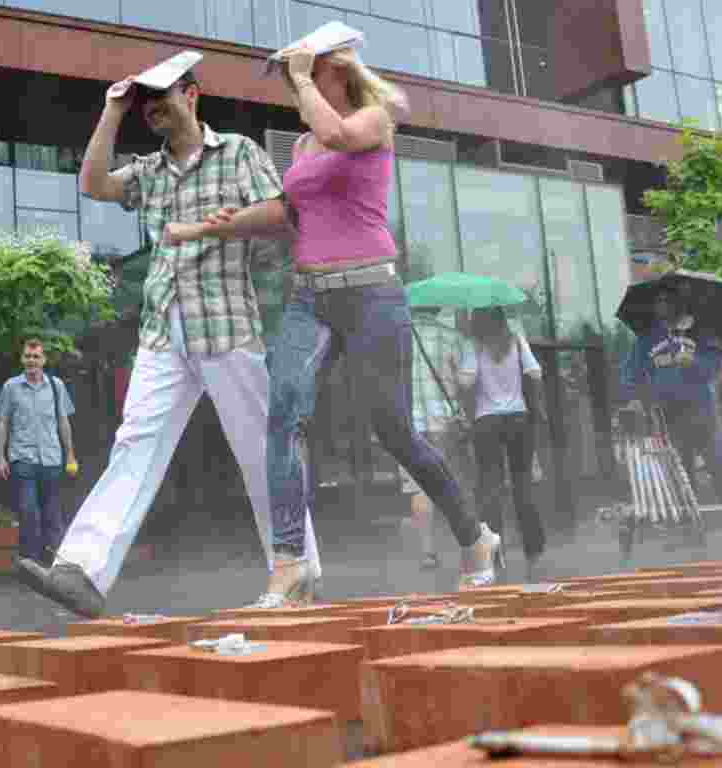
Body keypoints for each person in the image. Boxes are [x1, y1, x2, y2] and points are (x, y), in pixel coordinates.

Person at [166, 26, 501, 605]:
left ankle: (475, 538)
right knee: (284, 415)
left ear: (334, 69)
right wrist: (210, 225)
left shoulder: (373, 121)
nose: (296, 88)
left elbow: (338, 133)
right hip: (310, 296)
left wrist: (300, 75)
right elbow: (285, 209)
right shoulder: (300, 148)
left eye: (305, 73)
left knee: (394, 430)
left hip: (372, 293)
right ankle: (290, 561)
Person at [16, 51, 321, 618]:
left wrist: (216, 228)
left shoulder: (238, 154)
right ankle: (81, 570)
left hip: (227, 322)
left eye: (162, 95)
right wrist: (112, 110)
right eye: (145, 100)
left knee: (261, 450)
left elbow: (284, 214)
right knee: (135, 443)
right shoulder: (148, 170)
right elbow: (93, 182)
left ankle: (299, 566)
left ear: (192, 93)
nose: (152, 107)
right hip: (163, 328)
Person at [621, 284, 722, 533]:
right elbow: (631, 373)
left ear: (677, 304)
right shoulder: (647, 339)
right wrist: (633, 397)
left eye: (666, 300)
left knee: (717, 465)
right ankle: (690, 527)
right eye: (657, 301)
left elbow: (713, 368)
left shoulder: (700, 333)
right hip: (668, 413)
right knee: (681, 470)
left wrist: (693, 361)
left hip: (701, 410)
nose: (660, 305)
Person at [460, 307, 547, 581]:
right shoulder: (517, 340)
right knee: (523, 486)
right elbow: (535, 373)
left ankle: (496, 555)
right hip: (518, 419)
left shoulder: (474, 346)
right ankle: (534, 551)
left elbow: (466, 379)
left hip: (487, 422)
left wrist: (458, 375)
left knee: (490, 489)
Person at [399, 307, 477, 570]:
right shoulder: (452, 337)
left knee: (419, 488)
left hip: (409, 424)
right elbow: (467, 380)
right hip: (443, 420)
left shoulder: (398, 337)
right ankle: (469, 544)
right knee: (453, 480)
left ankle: (428, 552)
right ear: (437, 308)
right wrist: (451, 377)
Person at [0, 338, 77, 566]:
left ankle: (56, 563)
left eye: (36, 357)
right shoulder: (11, 387)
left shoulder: (56, 386)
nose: (32, 361)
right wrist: (0, 458)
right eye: (28, 357)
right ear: (22, 359)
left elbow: (63, 422)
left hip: (51, 458)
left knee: (52, 513)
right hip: (23, 458)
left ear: (43, 360)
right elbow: (3, 422)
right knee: (28, 510)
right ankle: (31, 562)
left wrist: (70, 455)